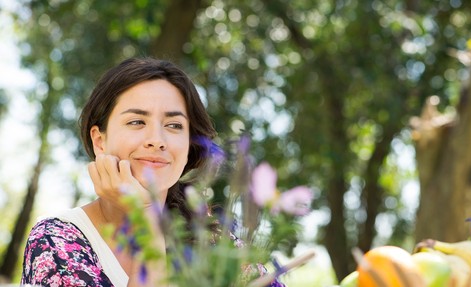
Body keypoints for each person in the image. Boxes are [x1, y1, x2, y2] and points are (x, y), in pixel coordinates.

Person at [20, 57, 285, 286]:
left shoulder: (215, 243)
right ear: (99, 140)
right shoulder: (57, 241)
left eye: (173, 125)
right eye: (137, 121)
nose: (157, 139)